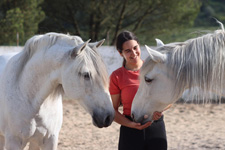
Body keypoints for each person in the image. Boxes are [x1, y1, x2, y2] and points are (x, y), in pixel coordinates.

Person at [109, 31, 168, 150]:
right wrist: (130, 124)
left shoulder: (154, 69)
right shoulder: (117, 76)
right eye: (128, 51)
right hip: (130, 131)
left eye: (135, 48)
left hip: (155, 126)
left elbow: (169, 97)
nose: (134, 53)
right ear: (121, 53)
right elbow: (113, 110)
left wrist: (159, 110)